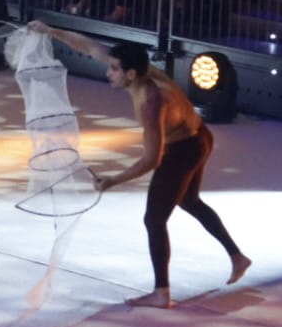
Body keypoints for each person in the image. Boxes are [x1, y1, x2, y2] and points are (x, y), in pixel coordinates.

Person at [27, 24, 249, 308]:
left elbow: (152, 159)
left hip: (184, 149)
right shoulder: (141, 70)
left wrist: (112, 181)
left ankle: (161, 292)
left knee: (154, 219)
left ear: (130, 75)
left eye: (114, 70)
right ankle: (237, 257)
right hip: (199, 136)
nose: (108, 73)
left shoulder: (151, 102)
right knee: (190, 201)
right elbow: (89, 45)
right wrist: (49, 30)